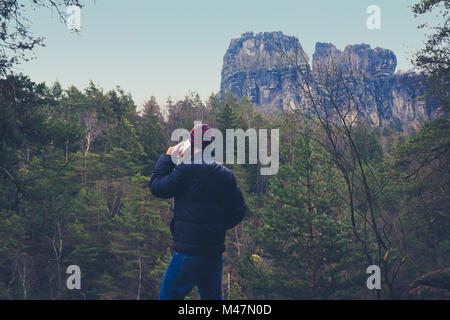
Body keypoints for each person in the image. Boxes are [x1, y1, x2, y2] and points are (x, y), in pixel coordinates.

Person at [149, 123, 246, 300]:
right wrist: (217, 227)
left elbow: (157, 187)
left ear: (192, 144)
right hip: (214, 254)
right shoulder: (225, 174)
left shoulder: (186, 170)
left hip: (188, 252)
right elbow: (239, 210)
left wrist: (168, 158)